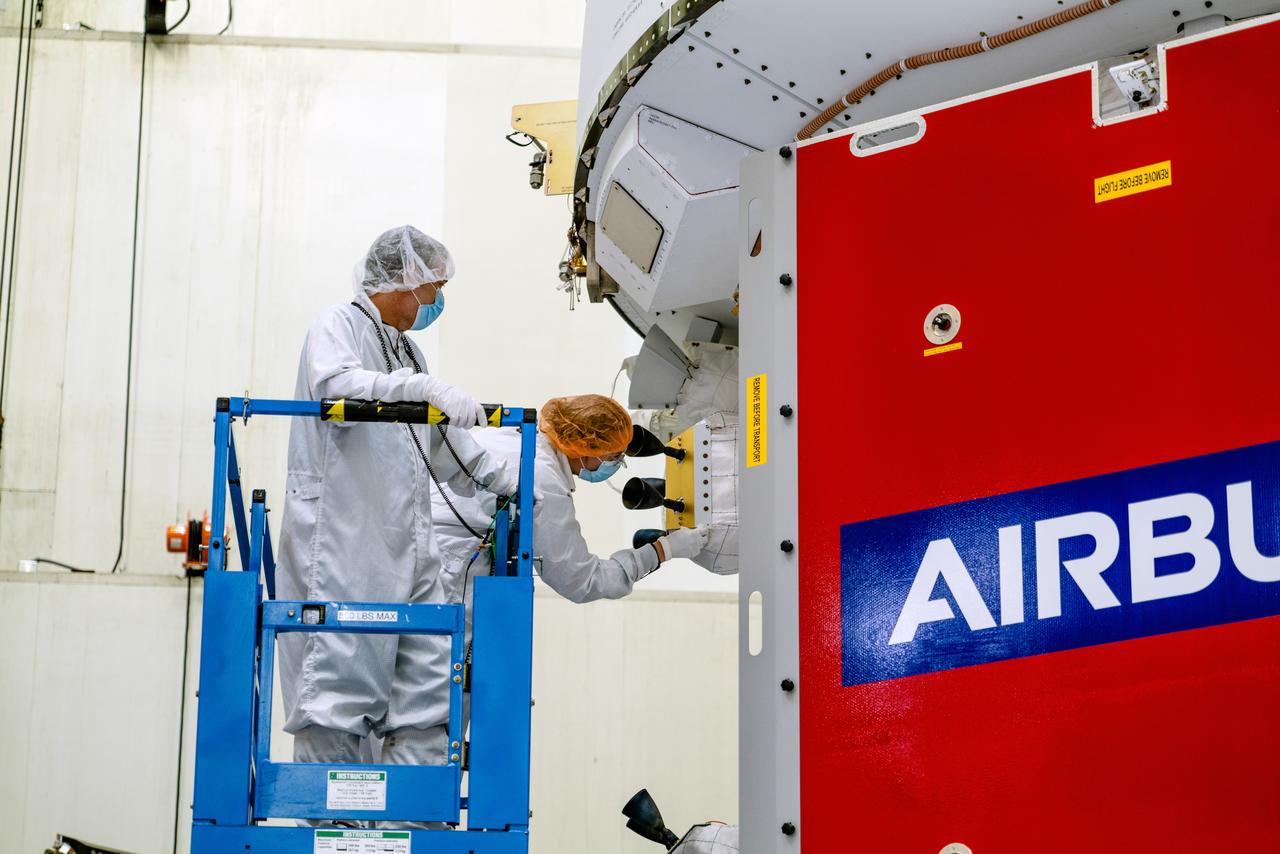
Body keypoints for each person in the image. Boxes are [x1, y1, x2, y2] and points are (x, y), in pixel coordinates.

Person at [276, 225, 517, 782]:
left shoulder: (405, 349)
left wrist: (502, 479)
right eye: (432, 286)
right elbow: (335, 384)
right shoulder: (336, 325)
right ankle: (334, 830)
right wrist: (423, 391)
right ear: (402, 279)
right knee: (339, 688)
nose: (436, 301)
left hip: (405, 537)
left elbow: (441, 443)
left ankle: (417, 820)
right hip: (342, 537)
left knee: (431, 679)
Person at [412, 393, 709, 737]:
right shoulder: (543, 478)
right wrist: (662, 550)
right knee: (434, 720)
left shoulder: (510, 438)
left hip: (422, 567)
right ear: (586, 449)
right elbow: (583, 580)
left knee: (410, 706)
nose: (614, 464)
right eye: (613, 456)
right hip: (453, 583)